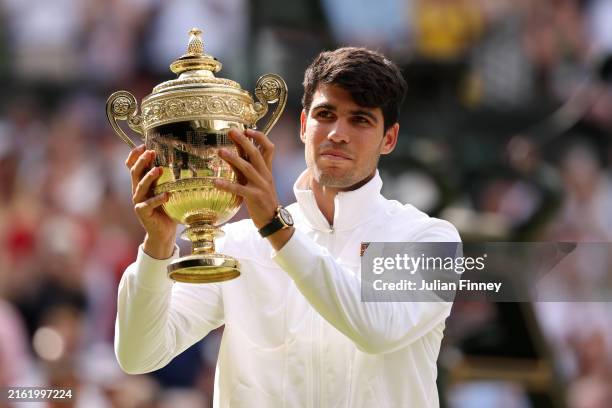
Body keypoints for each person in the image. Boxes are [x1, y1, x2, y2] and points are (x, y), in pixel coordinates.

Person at [115, 47, 460, 407]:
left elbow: (376, 329)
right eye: (325, 115)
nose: (337, 133)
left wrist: (276, 228)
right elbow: (139, 355)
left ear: (389, 138)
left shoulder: (431, 239)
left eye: (360, 120)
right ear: (302, 125)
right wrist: (157, 247)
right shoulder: (237, 244)